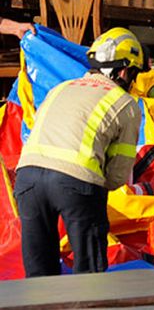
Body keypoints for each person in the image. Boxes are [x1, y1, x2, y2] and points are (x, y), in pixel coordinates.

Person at [14, 28, 144, 277]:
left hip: (27, 180)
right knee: (89, 277)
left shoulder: (60, 88)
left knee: (38, 277)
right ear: (125, 71)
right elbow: (117, 176)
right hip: (76, 182)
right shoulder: (125, 104)